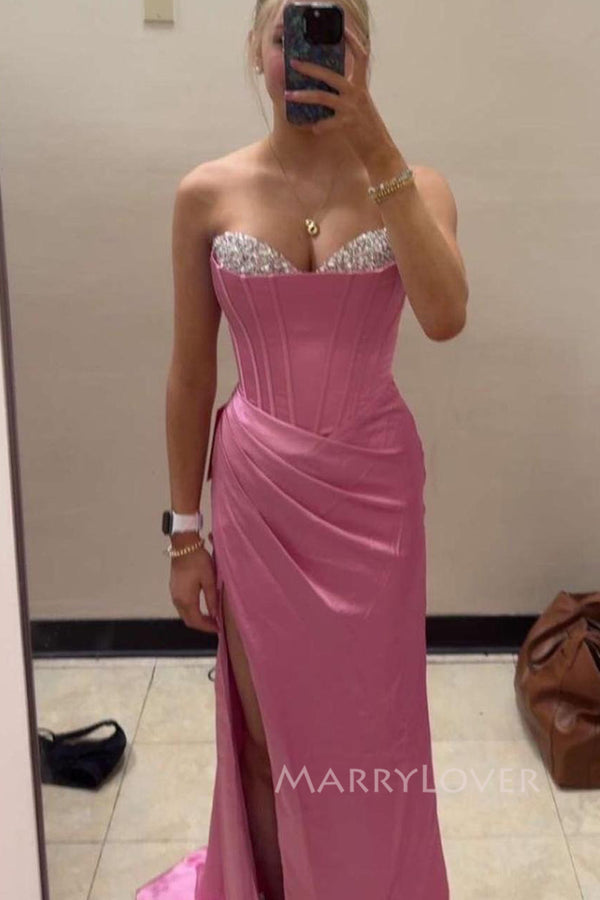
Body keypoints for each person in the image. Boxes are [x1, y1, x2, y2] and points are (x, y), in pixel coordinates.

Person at [138, 0, 468, 897]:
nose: (304, 51)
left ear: (363, 53)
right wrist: (183, 536)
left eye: (331, 32)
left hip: (374, 497)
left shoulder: (417, 185)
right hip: (259, 496)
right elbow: (190, 373)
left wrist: (380, 151)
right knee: (264, 733)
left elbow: (444, 317)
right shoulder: (206, 194)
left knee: (375, 731)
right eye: (286, 32)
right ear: (256, 50)